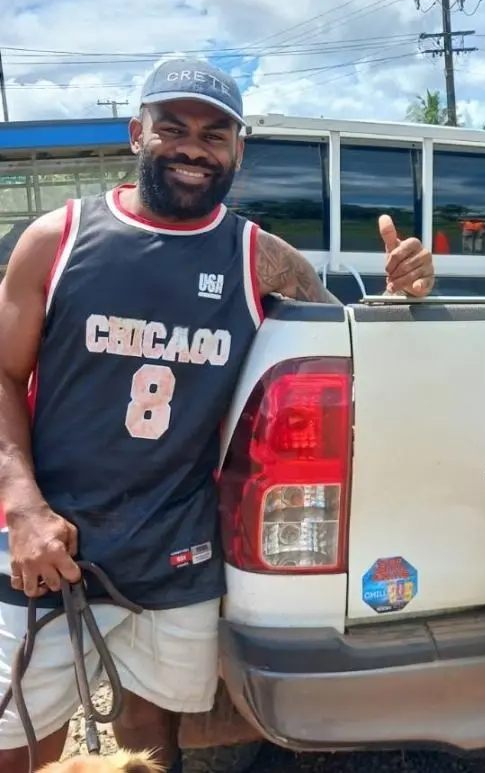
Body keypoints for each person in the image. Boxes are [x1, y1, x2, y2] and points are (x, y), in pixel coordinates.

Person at [0, 57, 434, 772]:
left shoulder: (261, 258)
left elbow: (350, 354)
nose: (193, 147)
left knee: (150, 750)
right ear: (137, 133)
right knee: (19, 750)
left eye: (215, 133)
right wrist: (21, 506)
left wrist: (400, 298)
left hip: (177, 554)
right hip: (49, 546)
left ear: (237, 149)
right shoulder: (59, 238)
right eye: (172, 128)